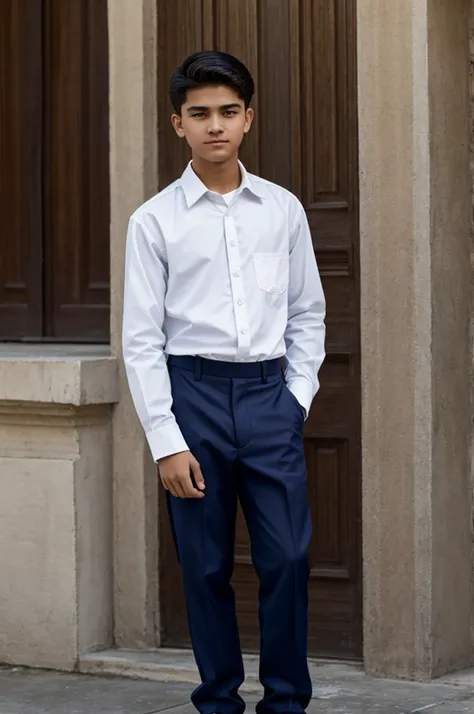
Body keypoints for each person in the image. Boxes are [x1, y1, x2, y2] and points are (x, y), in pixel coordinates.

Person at [122, 50, 326, 714]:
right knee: (206, 567)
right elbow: (142, 339)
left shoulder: (283, 211)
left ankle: (287, 702)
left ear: (249, 119)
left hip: (269, 399)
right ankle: (218, 702)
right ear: (177, 123)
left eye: (229, 112)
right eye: (201, 113)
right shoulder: (154, 221)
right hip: (194, 401)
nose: (216, 126)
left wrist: (294, 398)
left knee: (287, 560)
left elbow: (307, 310)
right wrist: (165, 440)